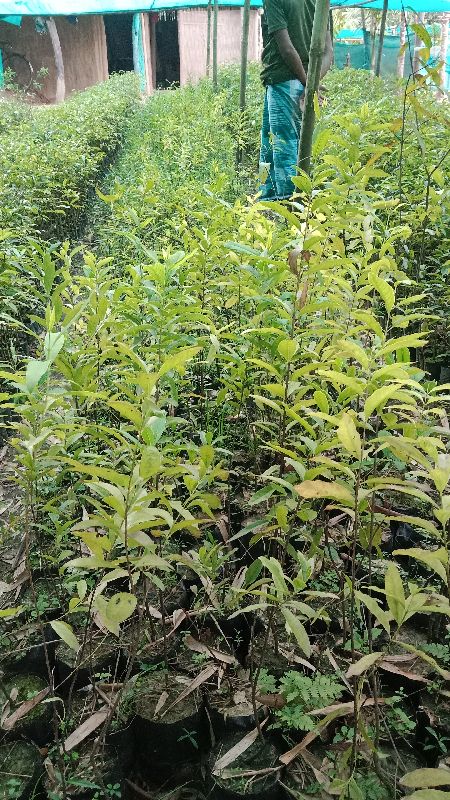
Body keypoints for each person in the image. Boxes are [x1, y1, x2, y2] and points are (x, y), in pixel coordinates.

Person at [259, 0, 333, 201]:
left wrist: (310, 85)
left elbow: (287, 49)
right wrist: (311, 83)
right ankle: (267, 195)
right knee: (278, 143)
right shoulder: (320, 2)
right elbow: (328, 52)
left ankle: (289, 203)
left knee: (284, 146)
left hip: (284, 79)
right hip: (303, 81)